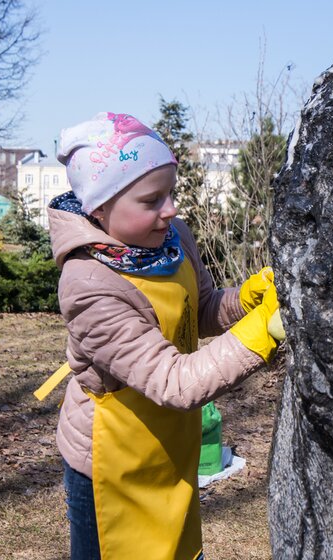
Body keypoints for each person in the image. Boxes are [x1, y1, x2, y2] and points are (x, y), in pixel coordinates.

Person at [41, 112, 283, 559]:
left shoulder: (172, 239)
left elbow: (199, 309)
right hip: (111, 465)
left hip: (169, 443)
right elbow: (172, 381)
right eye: (152, 200)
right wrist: (260, 333)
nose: (170, 209)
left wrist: (245, 301)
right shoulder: (89, 283)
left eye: (170, 192)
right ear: (99, 208)